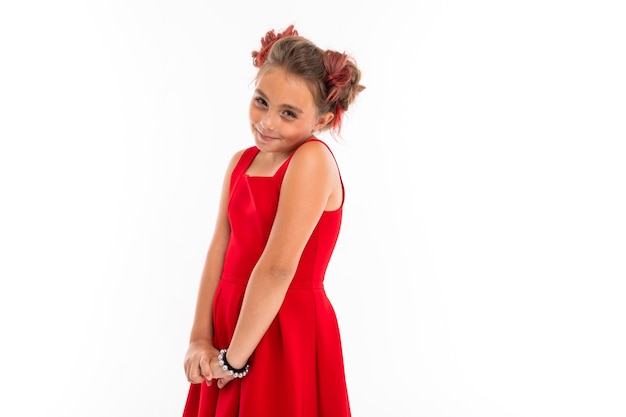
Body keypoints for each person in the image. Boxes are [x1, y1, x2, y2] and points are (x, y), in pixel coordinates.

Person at [182, 25, 365, 417]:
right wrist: (200, 337)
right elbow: (220, 248)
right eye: (262, 102)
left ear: (322, 120)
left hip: (283, 327)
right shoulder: (241, 163)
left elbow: (279, 268)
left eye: (288, 114)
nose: (267, 122)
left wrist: (234, 360)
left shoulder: (311, 160)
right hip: (230, 324)